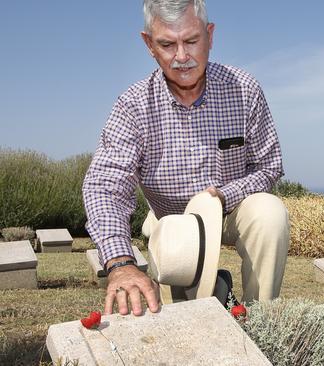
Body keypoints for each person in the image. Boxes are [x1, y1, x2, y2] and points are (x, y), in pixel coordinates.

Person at [82, 0, 289, 316]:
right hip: (171, 221)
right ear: (149, 44)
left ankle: (261, 321)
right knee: (182, 309)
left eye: (191, 41)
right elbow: (105, 187)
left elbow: (269, 165)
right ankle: (202, 293)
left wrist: (223, 196)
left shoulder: (244, 89)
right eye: (167, 44)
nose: (181, 57)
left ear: (210, 35)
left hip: (231, 211)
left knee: (269, 213)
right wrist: (121, 263)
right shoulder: (133, 106)